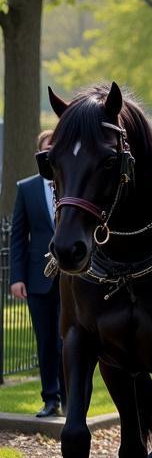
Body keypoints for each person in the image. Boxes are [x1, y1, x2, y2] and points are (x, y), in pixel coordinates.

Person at [10, 131, 65, 417]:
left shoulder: (74, 184)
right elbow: (17, 237)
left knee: (67, 340)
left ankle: (71, 398)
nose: (51, 151)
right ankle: (50, 399)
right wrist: (16, 278)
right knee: (46, 341)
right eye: (47, 147)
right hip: (37, 280)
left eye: (56, 146)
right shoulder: (27, 188)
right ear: (39, 154)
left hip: (72, 278)